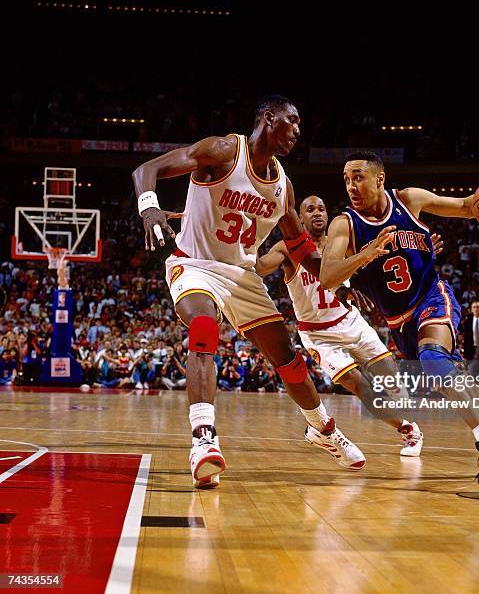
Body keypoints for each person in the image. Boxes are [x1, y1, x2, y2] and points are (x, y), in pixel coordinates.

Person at [132, 95, 364, 489]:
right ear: (269, 119)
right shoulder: (223, 151)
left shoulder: (283, 186)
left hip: (241, 276)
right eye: (292, 120)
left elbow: (301, 249)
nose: (298, 129)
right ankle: (203, 440)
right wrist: (149, 208)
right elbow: (146, 168)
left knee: (289, 360)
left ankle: (322, 429)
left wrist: (338, 282)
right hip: (195, 264)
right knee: (204, 325)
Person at [319, 151, 479, 485]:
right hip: (399, 324)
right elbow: (327, 276)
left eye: (358, 177)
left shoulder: (408, 200)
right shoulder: (345, 223)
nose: (351, 185)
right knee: (472, 400)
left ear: (379, 178)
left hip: (432, 298)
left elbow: (468, 206)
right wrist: (367, 253)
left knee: (433, 359)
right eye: (346, 179)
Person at [256, 194, 434, 456]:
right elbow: (260, 267)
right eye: (310, 209)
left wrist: (422, 253)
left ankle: (404, 417)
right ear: (300, 219)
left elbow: (383, 258)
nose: (317, 213)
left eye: (321, 208)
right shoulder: (286, 249)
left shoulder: (343, 243)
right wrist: (253, 236)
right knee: (358, 384)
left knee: (393, 381)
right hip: (317, 333)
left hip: (351, 322)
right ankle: (407, 429)